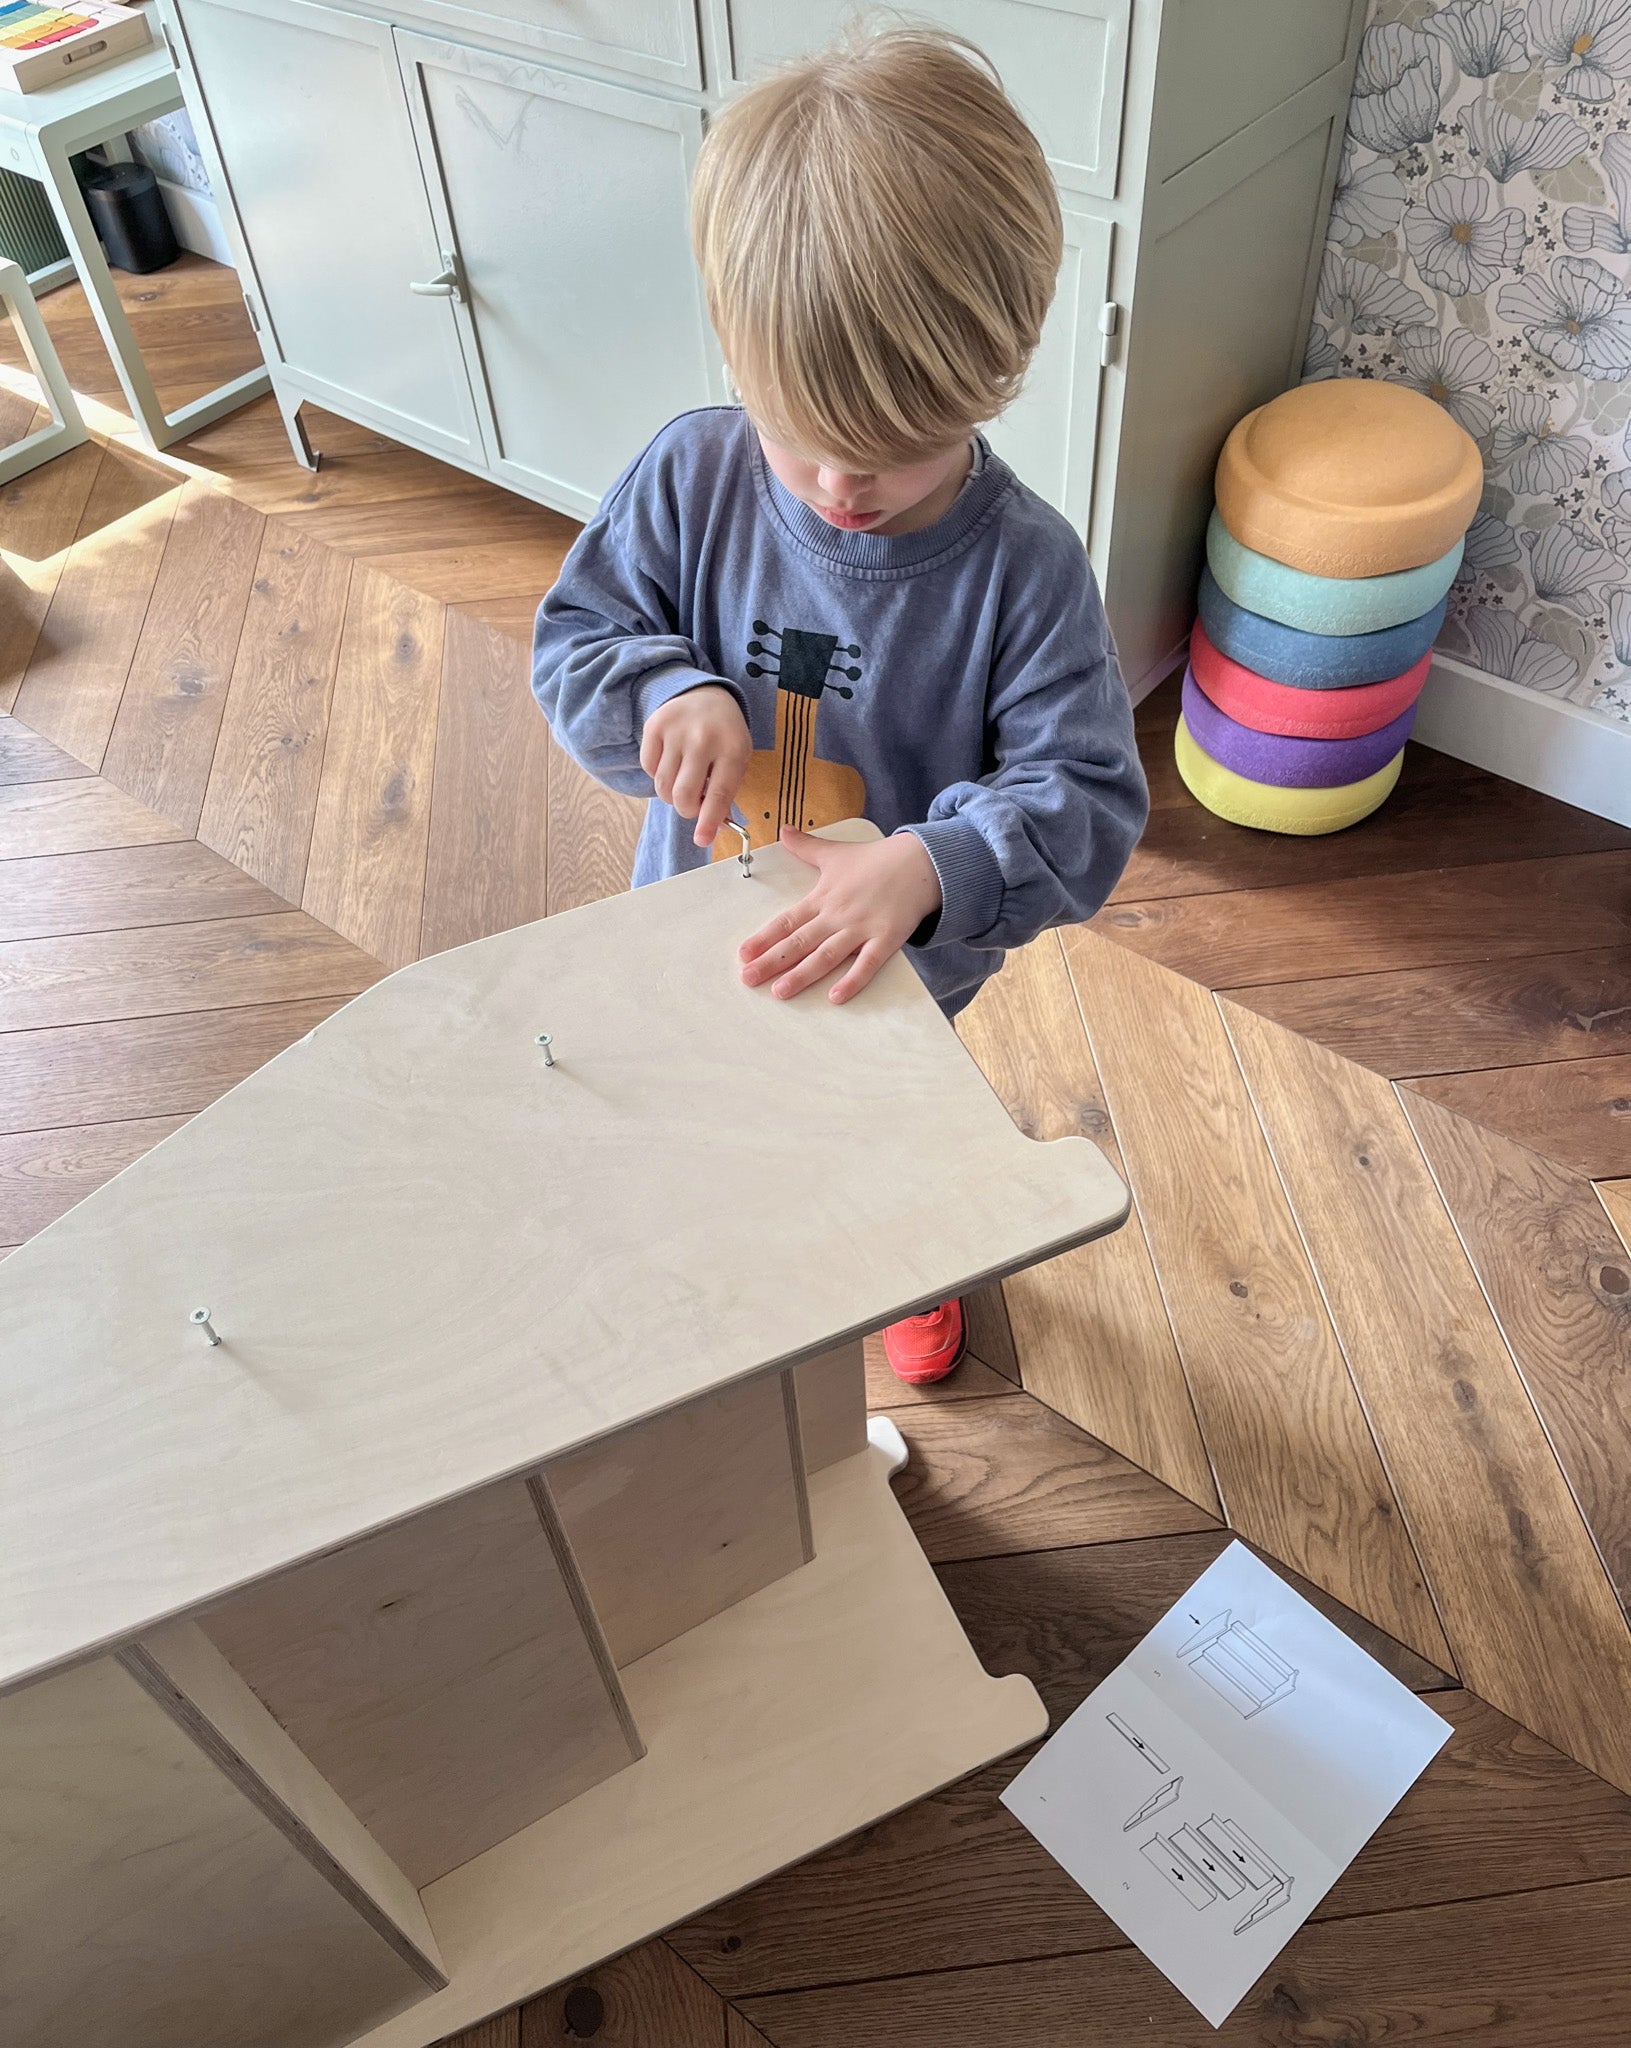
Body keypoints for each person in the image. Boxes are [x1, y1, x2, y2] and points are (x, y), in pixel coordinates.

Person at [533, 23, 1148, 1384]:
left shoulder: (1023, 569)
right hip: (693, 923)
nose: (838, 486)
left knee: (878, 1146)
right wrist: (663, 685)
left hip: (895, 981)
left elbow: (1087, 797)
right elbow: (578, 636)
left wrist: (929, 867)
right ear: (735, 351)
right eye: (794, 430)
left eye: (896, 449)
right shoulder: (693, 476)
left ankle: (901, 1261)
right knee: (702, 1120)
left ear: (1003, 362)